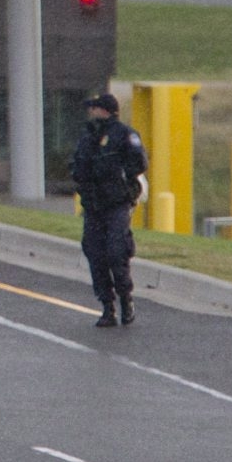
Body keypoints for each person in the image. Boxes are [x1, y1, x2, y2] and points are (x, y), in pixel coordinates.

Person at [68, 92, 147, 328]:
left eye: (94, 108)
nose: (90, 112)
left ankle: (126, 299)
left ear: (104, 110)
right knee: (95, 253)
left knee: (116, 251)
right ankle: (107, 306)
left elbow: (139, 163)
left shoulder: (124, 135)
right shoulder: (88, 137)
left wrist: (120, 179)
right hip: (93, 205)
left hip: (116, 203)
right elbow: (77, 165)